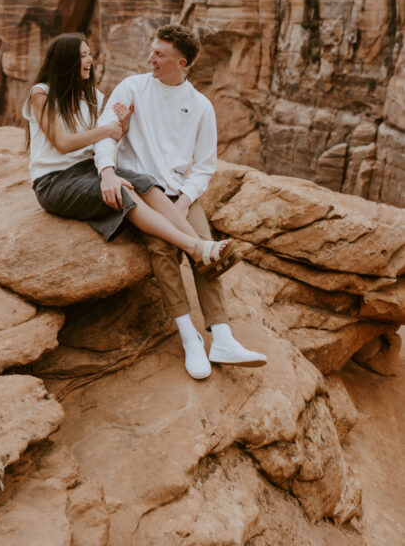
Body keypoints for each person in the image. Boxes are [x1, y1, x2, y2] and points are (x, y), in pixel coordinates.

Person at [94, 23, 267, 380]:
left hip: (180, 196)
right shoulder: (132, 88)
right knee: (162, 251)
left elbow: (204, 166)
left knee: (206, 251)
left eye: (159, 54)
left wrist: (185, 201)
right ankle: (190, 338)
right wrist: (107, 171)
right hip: (141, 190)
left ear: (181, 62)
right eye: (152, 51)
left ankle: (221, 336)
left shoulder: (200, 106)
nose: (150, 59)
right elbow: (105, 135)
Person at [23, 32, 235, 268]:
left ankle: (203, 250)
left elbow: (107, 137)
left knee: (143, 182)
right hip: (54, 181)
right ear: (65, 60)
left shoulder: (92, 96)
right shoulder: (41, 93)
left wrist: (121, 128)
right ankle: (194, 248)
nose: (90, 60)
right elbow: (63, 144)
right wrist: (107, 131)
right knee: (123, 193)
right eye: (83, 55)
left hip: (84, 170)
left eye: (89, 54)